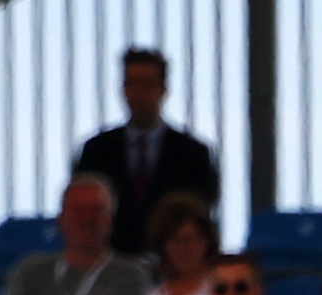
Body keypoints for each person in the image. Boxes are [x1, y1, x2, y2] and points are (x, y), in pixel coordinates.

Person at [70, 44, 220, 227]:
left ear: (163, 89)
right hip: (112, 253)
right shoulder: (96, 151)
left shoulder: (193, 154)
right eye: (131, 84)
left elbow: (200, 212)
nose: (138, 93)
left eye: (146, 84)